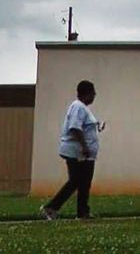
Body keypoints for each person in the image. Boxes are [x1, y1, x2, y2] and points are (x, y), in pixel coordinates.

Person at [41, 80, 101, 220]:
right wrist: (85, 147)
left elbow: (84, 127)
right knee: (76, 181)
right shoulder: (78, 107)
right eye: (93, 92)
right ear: (87, 93)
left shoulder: (83, 108)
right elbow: (75, 127)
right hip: (78, 152)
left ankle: (83, 212)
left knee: (84, 182)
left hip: (84, 154)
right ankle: (51, 207)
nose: (95, 95)